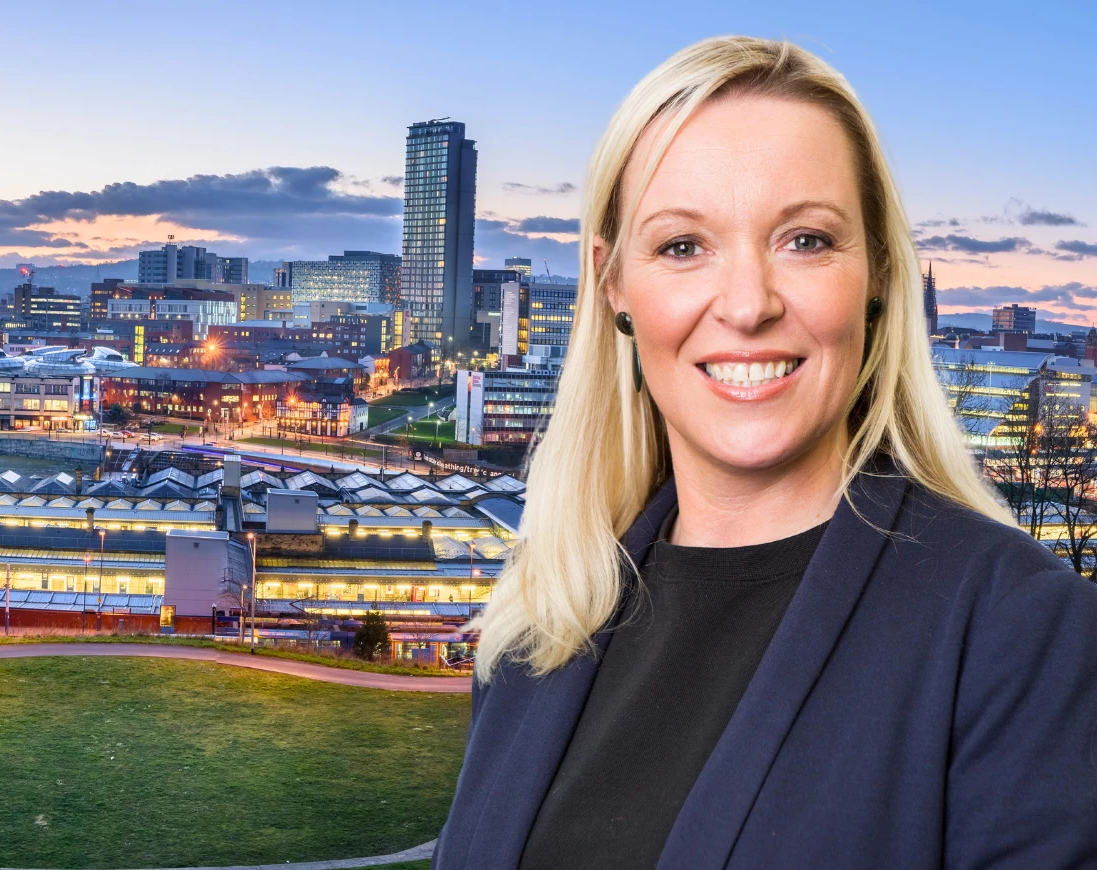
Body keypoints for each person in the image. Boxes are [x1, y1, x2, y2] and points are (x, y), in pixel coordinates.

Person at [433, 36, 1097, 869]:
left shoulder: (1015, 629)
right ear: (614, 286)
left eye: (807, 240)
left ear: (881, 271)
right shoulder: (541, 624)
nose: (748, 305)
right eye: (682, 246)